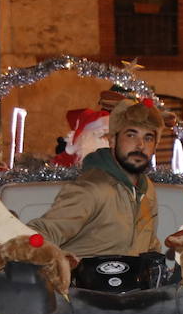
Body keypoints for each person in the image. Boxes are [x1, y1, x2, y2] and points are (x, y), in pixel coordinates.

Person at [28, 99, 163, 257]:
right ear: (112, 140)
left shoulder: (146, 188)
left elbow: (149, 243)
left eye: (148, 138)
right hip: (88, 280)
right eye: (131, 135)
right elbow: (44, 233)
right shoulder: (91, 188)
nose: (140, 145)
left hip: (133, 280)